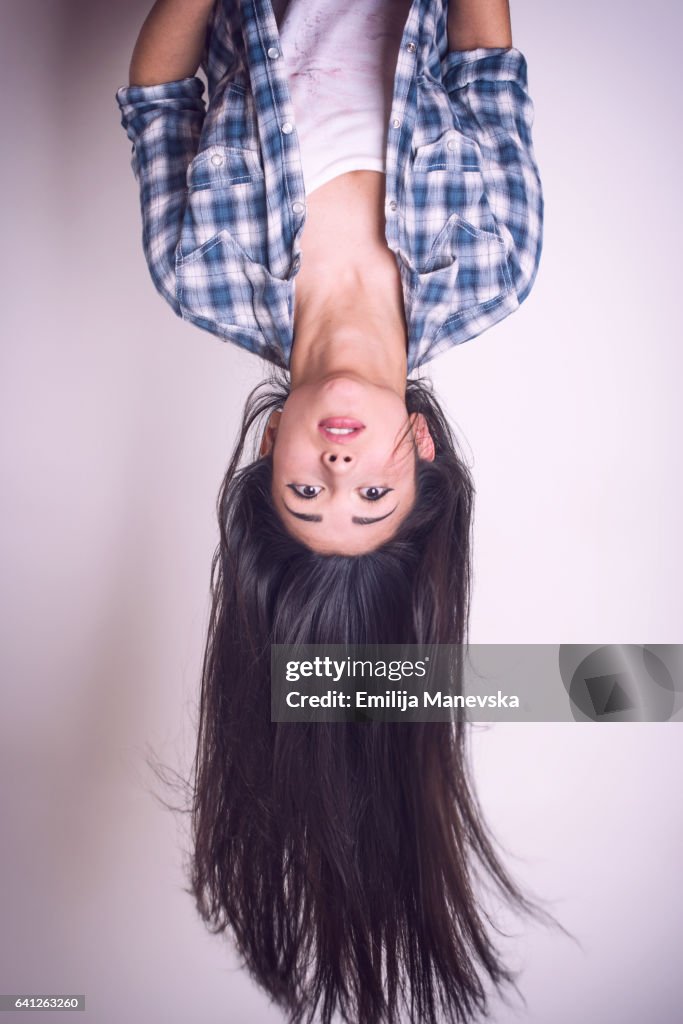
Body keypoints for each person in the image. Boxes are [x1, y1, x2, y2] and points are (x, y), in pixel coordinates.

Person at [117, 3, 552, 1023]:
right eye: (373, 496)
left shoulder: (197, 279)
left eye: (308, 493)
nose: (340, 465)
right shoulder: (496, 273)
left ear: (270, 450)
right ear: (422, 453)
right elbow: (487, 69)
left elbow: (156, 101)